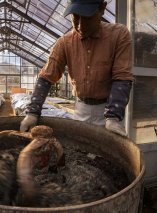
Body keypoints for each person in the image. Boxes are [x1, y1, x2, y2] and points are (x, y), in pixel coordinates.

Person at [20, 0, 134, 137]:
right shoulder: (65, 42)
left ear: (102, 8)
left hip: (108, 108)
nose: (80, 25)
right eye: (75, 17)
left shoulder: (118, 35)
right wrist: (32, 112)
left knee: (107, 152)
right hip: (81, 108)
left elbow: (122, 77)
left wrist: (113, 117)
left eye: (87, 18)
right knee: (81, 149)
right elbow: (46, 77)